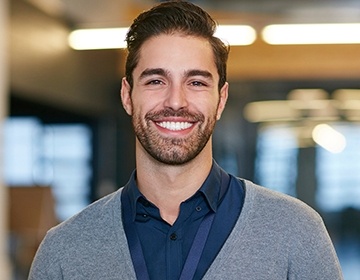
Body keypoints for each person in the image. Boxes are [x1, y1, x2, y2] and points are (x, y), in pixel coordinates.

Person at [29, 1, 343, 279]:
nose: (176, 101)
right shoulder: (64, 251)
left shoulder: (295, 232)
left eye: (195, 82)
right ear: (127, 95)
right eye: (155, 80)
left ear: (220, 99)